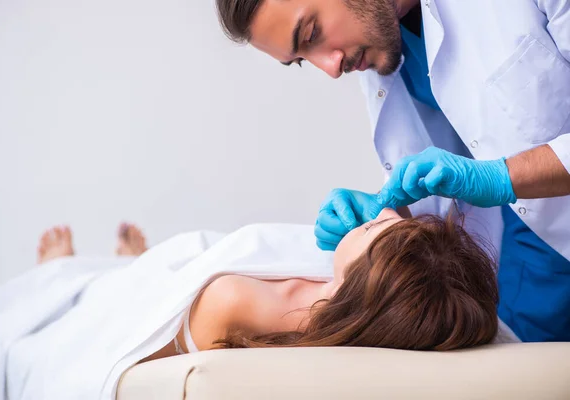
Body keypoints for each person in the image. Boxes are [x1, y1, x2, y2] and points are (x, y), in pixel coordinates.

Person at [214, 0, 570, 342]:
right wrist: (388, 212)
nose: (331, 68)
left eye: (311, 34)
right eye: (302, 60)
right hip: (520, 286)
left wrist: (502, 178)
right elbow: (445, 171)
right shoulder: (383, 43)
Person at [31, 209, 513, 368]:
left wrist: (140, 283)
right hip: (175, 276)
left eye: (373, 230)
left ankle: (64, 274)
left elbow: (119, 347)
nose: (385, 210)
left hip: (145, 301)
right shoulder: (355, 303)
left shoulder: (235, 301)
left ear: (359, 284)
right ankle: (121, 268)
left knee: (81, 294)